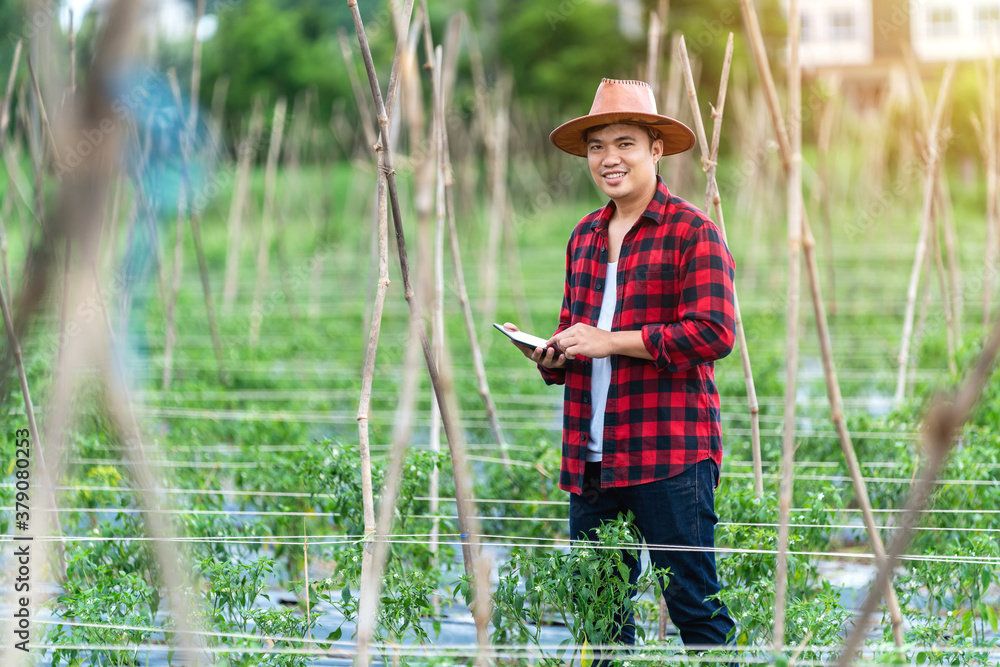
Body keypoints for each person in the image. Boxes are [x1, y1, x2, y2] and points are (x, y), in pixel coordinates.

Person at [503, 78, 737, 657]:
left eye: (625, 143)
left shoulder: (692, 232)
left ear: (656, 150)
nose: (610, 158)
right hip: (592, 459)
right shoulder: (584, 236)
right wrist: (552, 355)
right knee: (598, 615)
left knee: (693, 605)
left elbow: (714, 333)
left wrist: (613, 341)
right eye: (597, 146)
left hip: (669, 454)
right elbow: (576, 335)